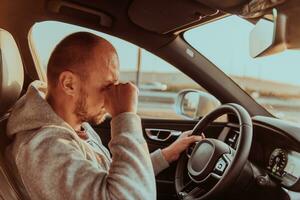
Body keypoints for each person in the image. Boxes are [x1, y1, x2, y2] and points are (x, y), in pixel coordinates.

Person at [6, 32, 204, 200]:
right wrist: (125, 116)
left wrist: (167, 154)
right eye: (108, 85)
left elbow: (112, 177)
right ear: (69, 84)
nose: (113, 94)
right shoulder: (44, 150)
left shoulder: (73, 125)